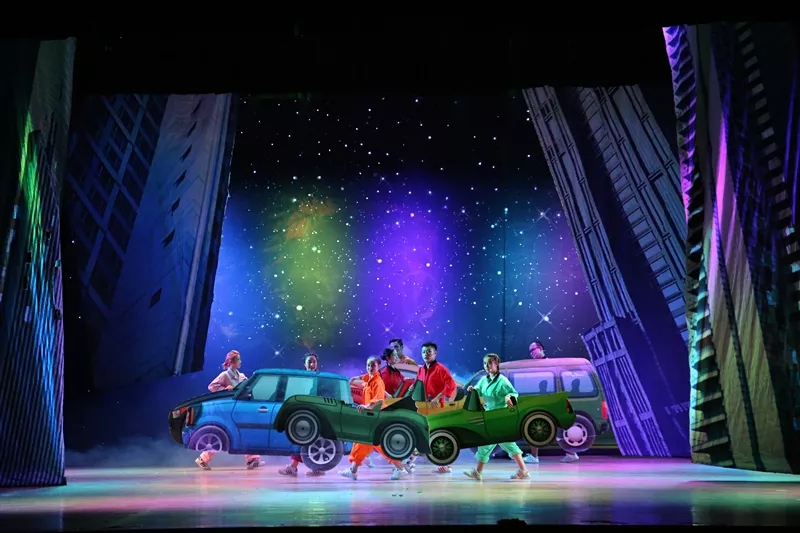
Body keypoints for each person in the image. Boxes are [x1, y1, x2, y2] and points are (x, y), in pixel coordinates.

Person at [338, 356, 410, 481]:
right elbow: (365, 377)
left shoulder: (377, 382)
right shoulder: (370, 379)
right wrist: (355, 378)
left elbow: (378, 400)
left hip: (376, 417)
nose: (370, 367)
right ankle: (353, 471)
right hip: (371, 417)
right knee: (364, 442)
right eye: (368, 365)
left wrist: (366, 406)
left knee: (377, 444)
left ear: (378, 366)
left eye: (373, 365)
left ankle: (400, 469)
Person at [463, 353, 531, 480]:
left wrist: (509, 397)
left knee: (492, 443)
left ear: (496, 364)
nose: (487, 366)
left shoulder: (502, 380)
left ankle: (478, 472)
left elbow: (513, 393)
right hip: (490, 417)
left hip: (500, 417)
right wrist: (473, 389)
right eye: (485, 363)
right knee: (502, 444)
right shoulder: (484, 380)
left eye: (489, 363)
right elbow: (478, 390)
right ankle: (523, 470)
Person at [195, 350, 264, 471]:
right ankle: (203, 458)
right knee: (223, 435)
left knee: (244, 433)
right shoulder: (225, 375)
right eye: (238, 359)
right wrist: (225, 389)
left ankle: (252, 459)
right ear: (231, 361)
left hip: (240, 409)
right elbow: (212, 386)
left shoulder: (242, 376)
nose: (240, 361)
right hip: (228, 410)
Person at [524, 341, 579, 464]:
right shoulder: (535, 366)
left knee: (536, 425)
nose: (531, 353)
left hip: (550, 401)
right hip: (544, 400)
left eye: (533, 349)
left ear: (541, 348)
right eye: (530, 351)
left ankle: (535, 456)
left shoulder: (551, 364)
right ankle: (570, 453)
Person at [408, 341, 457, 474]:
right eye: (424, 352)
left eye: (429, 352)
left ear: (435, 353)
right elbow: (418, 382)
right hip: (424, 408)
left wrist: (437, 397)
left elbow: (451, 385)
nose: (426, 354)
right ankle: (410, 463)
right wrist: (413, 386)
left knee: (436, 435)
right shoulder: (421, 369)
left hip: (436, 408)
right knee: (422, 434)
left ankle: (446, 465)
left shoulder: (441, 369)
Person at [278, 353, 326, 477]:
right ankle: (306, 467)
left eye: (314, 361)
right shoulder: (300, 379)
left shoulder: (321, 378)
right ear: (304, 364)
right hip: (303, 412)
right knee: (302, 439)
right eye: (309, 362)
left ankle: (308, 467)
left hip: (316, 413)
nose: (312, 364)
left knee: (310, 440)